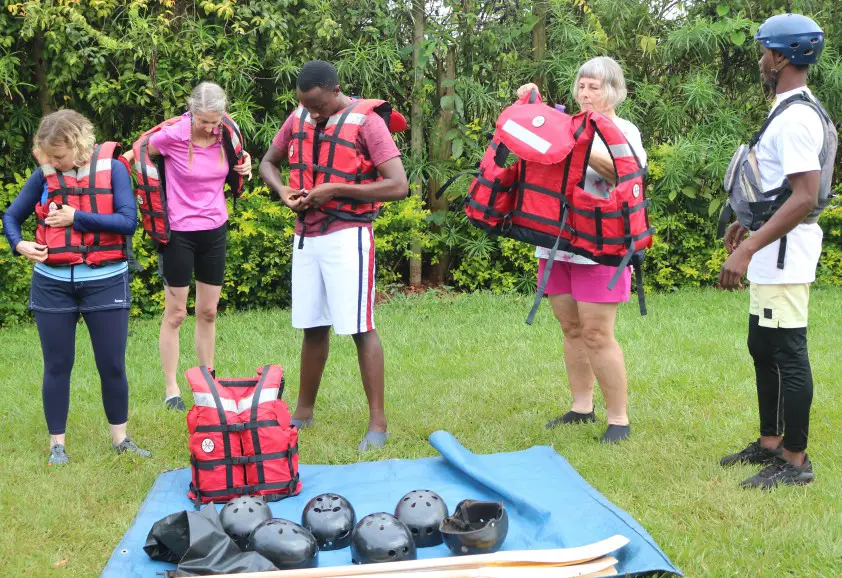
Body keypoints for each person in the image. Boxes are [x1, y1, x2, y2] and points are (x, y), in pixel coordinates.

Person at [259, 60, 409, 451]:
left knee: (360, 328)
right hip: (307, 236)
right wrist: (281, 191)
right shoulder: (297, 118)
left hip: (349, 237)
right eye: (306, 105)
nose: (313, 112)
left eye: (319, 105)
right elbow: (267, 163)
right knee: (312, 327)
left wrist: (337, 189)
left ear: (336, 90)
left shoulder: (368, 122)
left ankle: (378, 424)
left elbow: (398, 185)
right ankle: (302, 413)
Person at [718, 14, 833, 488]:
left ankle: (795, 460)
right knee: (761, 345)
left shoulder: (797, 119)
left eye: (765, 51)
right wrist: (744, 229)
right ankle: (769, 442)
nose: (761, 60)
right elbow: (775, 190)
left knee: (787, 352)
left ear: (782, 58)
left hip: (785, 257)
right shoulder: (790, 108)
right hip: (772, 250)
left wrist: (746, 252)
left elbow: (804, 196)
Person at [1, 110, 150, 465]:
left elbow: (128, 222)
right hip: (52, 284)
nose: (53, 163)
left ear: (79, 145)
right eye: (49, 157)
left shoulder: (113, 170)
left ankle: (120, 439)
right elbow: (10, 217)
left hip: (106, 280)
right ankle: (57, 446)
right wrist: (18, 244)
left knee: (112, 364)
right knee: (57, 364)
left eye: (60, 157)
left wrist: (75, 217)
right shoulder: (44, 176)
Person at [517, 56, 647, 444]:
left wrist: (581, 145)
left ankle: (619, 419)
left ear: (614, 91)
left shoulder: (623, 130)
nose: (586, 93)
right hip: (558, 242)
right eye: (582, 86)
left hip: (602, 245)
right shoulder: (565, 125)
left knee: (596, 333)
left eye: (596, 87)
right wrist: (533, 112)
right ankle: (581, 408)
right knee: (571, 328)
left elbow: (629, 175)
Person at [124, 82, 252, 410]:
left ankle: (208, 382)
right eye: (205, 121)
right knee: (177, 313)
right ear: (191, 112)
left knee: (208, 311)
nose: (211, 128)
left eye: (216, 121)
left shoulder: (226, 134)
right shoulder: (173, 136)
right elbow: (132, 156)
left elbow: (239, 162)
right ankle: (171, 389)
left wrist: (246, 166)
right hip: (178, 233)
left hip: (214, 232)